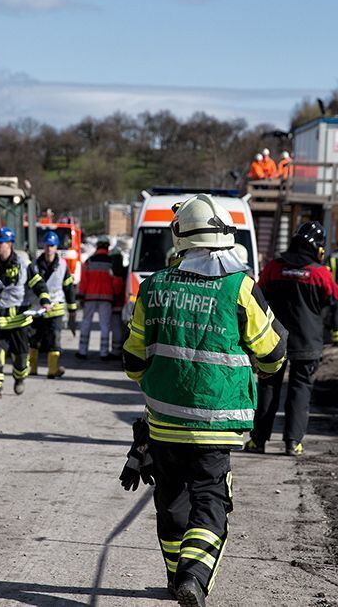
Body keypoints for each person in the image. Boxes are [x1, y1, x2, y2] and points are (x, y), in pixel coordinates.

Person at [122, 194, 287, 607]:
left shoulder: (154, 286)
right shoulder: (240, 287)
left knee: (171, 503)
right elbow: (272, 351)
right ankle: (194, 577)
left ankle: (177, 576)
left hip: (163, 423)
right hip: (217, 423)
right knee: (210, 500)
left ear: (179, 238)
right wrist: (266, 370)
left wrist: (159, 382)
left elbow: (132, 359)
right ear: (223, 237)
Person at [246, 221, 338, 456]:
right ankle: (292, 443)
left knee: (268, 387)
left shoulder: (273, 268)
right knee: (300, 391)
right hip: (307, 343)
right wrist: (335, 332)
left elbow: (257, 296)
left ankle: (258, 441)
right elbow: (335, 298)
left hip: (273, 340)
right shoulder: (320, 273)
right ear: (317, 247)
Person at [0, 227, 51, 396]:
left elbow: (38, 283)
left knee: (21, 358)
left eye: (1, 242)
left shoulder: (23, 264)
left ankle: (19, 378)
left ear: (9, 244)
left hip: (19, 321)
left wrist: (45, 300)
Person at [28, 231, 77, 379]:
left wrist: (72, 310)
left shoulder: (63, 265)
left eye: (52, 246)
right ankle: (33, 369)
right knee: (34, 340)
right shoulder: (35, 264)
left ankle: (52, 370)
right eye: (47, 245)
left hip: (56, 309)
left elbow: (69, 288)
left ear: (56, 247)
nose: (49, 249)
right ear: (44, 246)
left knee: (54, 341)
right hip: (37, 308)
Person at [77, 236, 117, 360]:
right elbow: (115, 281)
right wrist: (115, 294)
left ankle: (82, 351)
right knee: (105, 325)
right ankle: (104, 353)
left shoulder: (89, 261)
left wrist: (81, 295)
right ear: (107, 246)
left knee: (86, 323)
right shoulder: (112, 262)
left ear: (97, 246)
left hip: (90, 297)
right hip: (107, 298)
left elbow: (83, 281)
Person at [108, 244, 128, 359]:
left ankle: (116, 351)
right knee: (123, 328)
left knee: (116, 328)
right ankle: (121, 350)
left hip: (116, 303)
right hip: (124, 304)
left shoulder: (115, 273)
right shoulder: (125, 270)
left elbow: (116, 289)